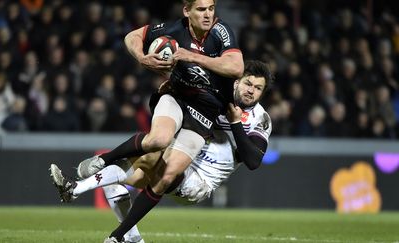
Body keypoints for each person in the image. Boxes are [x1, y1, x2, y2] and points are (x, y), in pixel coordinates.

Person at [74, 0, 243, 240]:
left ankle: (120, 233)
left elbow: (237, 67)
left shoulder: (220, 31)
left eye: (211, 8)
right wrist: (142, 57)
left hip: (203, 116)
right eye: (201, 9)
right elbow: (132, 36)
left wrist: (194, 57)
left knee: (167, 176)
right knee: (158, 140)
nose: (208, 15)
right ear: (187, 11)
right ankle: (103, 161)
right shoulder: (174, 29)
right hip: (176, 97)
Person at [50, 60, 272, 243]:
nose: (251, 90)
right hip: (180, 154)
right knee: (121, 177)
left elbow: (253, 161)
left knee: (155, 155)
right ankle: (83, 196)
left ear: (262, 93)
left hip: (199, 182)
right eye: (248, 83)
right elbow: (173, 111)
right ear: (237, 81)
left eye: (258, 88)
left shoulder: (260, 119)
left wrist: (235, 123)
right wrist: (165, 93)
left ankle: (114, 232)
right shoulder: (216, 95)